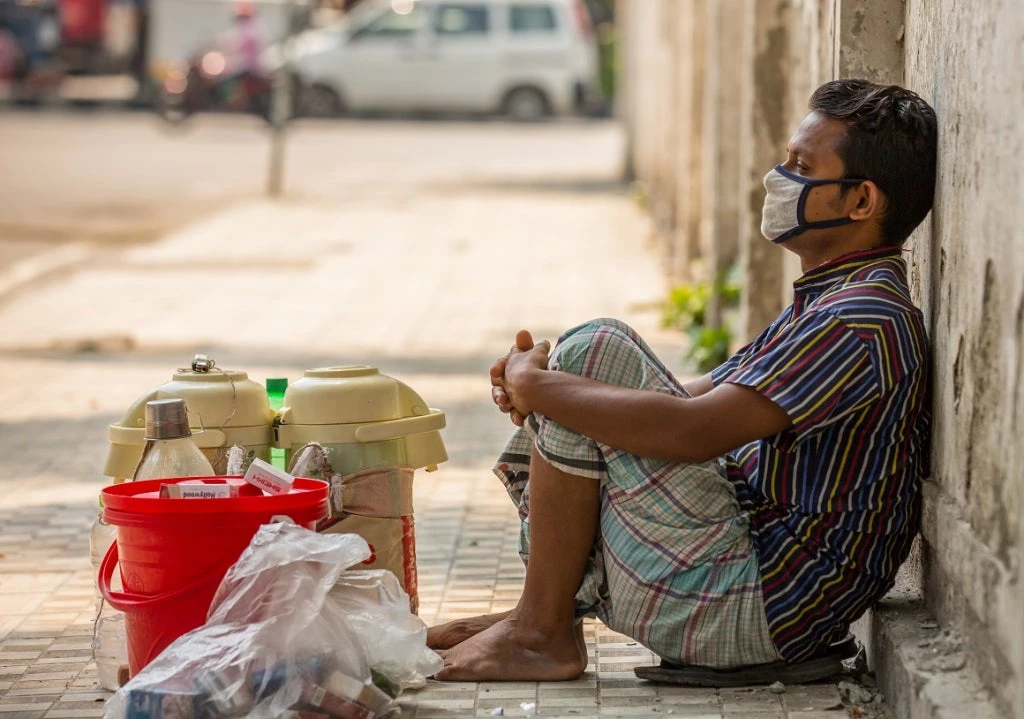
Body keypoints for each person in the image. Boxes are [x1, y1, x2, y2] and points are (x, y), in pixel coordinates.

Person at [427, 79, 938, 683]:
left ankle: (540, 633)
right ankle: (541, 613)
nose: (779, 177)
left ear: (860, 202)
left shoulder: (861, 319)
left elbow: (694, 431)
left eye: (801, 167)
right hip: (750, 572)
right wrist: (549, 383)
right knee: (588, 363)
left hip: (762, 605)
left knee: (593, 351)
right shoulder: (834, 296)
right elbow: (686, 395)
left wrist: (542, 389)